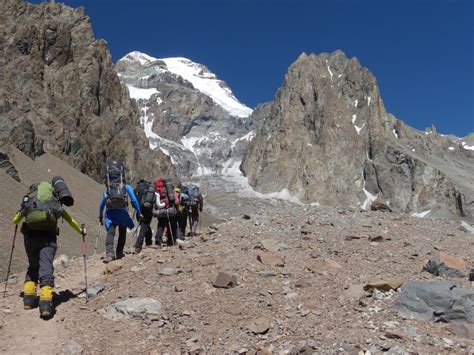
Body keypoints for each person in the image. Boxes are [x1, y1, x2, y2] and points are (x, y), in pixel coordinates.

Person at [12, 177, 87, 318]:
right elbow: (70, 220)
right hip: (48, 240)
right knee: (46, 268)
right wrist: (81, 231)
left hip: (30, 239)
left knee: (33, 267)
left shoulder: (30, 201)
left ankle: (28, 300)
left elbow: (15, 220)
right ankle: (45, 304)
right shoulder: (54, 202)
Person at [99, 161, 142, 262]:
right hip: (123, 213)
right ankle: (119, 253)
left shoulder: (109, 188)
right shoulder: (126, 187)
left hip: (110, 214)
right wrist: (139, 212)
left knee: (111, 233)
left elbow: (102, 203)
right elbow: (134, 200)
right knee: (122, 233)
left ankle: (110, 253)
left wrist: (100, 215)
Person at [153, 178, 180, 246]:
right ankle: (171, 241)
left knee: (161, 226)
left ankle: (158, 241)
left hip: (161, 211)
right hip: (170, 210)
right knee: (172, 226)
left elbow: (155, 202)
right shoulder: (171, 190)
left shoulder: (158, 190)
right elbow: (177, 202)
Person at [132, 179, 157, 253]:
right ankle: (138, 246)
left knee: (145, 226)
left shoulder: (136, 189)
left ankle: (149, 242)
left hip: (139, 211)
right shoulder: (150, 189)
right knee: (144, 227)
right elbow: (154, 200)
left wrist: (137, 208)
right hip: (148, 211)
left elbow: (133, 201)